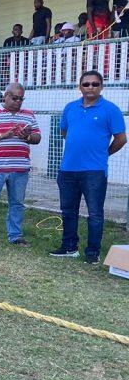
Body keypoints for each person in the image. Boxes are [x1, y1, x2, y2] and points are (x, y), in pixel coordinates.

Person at [49, 70, 126, 264]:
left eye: (94, 84)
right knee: (68, 211)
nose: (90, 87)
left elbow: (121, 139)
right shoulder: (70, 108)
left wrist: (103, 154)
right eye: (86, 84)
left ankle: (92, 252)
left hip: (94, 172)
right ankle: (69, 247)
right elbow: (65, 132)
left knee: (95, 214)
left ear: (101, 86)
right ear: (80, 87)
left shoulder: (110, 110)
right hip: (67, 170)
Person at [0, 83, 41, 247]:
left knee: (17, 203)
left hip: (19, 168)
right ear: (6, 96)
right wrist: (3, 135)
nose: (18, 102)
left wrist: (27, 136)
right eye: (15, 98)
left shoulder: (29, 115)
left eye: (21, 99)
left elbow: (37, 138)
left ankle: (15, 236)